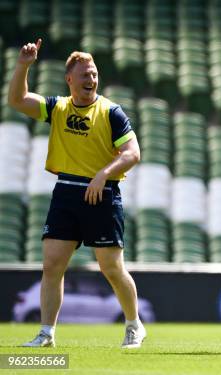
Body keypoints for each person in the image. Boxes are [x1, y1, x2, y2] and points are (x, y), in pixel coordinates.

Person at [8, 39, 145, 349]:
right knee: (52, 266)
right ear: (69, 79)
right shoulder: (57, 108)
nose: (91, 80)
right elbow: (17, 100)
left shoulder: (111, 112)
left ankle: (134, 324)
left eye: (94, 74)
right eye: (84, 75)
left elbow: (133, 152)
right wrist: (23, 66)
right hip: (67, 193)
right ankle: (46, 334)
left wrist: (104, 173)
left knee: (111, 268)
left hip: (103, 194)